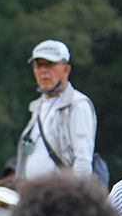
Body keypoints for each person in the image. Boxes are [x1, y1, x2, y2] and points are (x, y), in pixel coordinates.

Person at [14, 40, 97, 180]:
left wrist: (74, 198)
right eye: (38, 65)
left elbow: (83, 162)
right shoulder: (38, 106)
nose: (43, 71)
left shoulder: (78, 104)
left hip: (60, 198)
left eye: (50, 64)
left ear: (66, 70)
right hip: (34, 197)